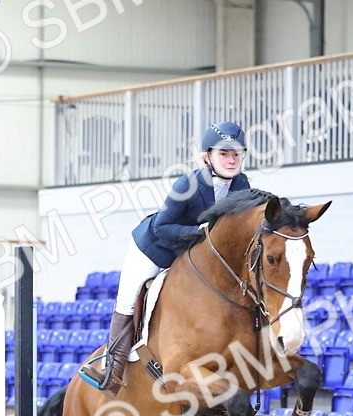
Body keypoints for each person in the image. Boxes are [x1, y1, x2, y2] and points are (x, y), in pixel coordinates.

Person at [82, 121, 252, 395]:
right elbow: (162, 225)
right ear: (208, 156)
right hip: (155, 247)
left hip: (191, 256)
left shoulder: (241, 184)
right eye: (224, 154)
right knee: (127, 299)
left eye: (236, 154)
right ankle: (110, 370)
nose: (232, 160)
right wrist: (199, 233)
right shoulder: (189, 183)